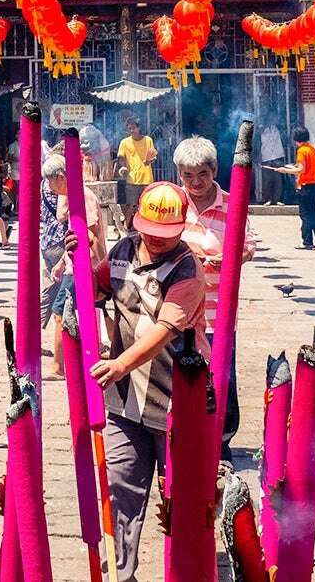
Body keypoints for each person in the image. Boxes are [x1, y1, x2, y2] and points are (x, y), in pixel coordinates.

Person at [70, 182, 205, 582]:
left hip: (176, 398)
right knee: (120, 491)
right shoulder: (124, 250)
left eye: (165, 234)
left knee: (180, 497)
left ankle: (182, 571)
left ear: (181, 229)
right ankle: (121, 573)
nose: (155, 240)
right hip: (124, 399)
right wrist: (79, 257)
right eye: (149, 229)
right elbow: (96, 287)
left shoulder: (188, 268)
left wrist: (119, 364)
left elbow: (166, 329)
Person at [174, 135, 254, 466]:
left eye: (202, 174)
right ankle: (182, 437)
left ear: (215, 170)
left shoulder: (232, 205)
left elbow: (249, 246)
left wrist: (233, 257)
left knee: (222, 377)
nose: (195, 183)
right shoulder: (172, 203)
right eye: (188, 175)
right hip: (177, 311)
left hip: (219, 310)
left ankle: (222, 441)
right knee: (180, 376)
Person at [40, 151, 106, 378]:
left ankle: (58, 367)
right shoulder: (72, 196)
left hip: (81, 267)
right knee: (101, 308)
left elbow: (88, 234)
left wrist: (94, 267)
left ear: (61, 176)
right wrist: (61, 262)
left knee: (60, 313)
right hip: (76, 264)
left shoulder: (83, 196)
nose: (49, 185)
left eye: (51, 180)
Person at [275, 126, 315, 249]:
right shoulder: (312, 149)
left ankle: (307, 242)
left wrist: (285, 170)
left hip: (306, 186)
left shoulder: (302, 151)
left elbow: (301, 169)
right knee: (313, 214)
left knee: (305, 215)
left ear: (296, 139)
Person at [116, 115, 157, 228]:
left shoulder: (148, 140)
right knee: (130, 205)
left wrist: (148, 161)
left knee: (147, 205)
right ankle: (125, 227)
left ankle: (146, 227)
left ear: (139, 128)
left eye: (133, 128)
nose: (131, 130)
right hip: (132, 179)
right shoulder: (125, 142)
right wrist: (123, 167)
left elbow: (152, 156)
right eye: (129, 128)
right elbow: (121, 157)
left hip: (147, 179)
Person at [257, 117, 287, 205]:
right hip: (266, 156)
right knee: (267, 180)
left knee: (278, 179)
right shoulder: (261, 130)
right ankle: (268, 199)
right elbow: (257, 143)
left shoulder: (279, 128)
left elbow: (285, 138)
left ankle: (278, 199)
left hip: (278, 155)